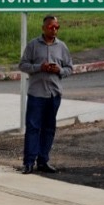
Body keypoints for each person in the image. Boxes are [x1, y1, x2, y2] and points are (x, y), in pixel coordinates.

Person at [17, 15, 73, 175]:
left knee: (49, 129)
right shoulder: (33, 45)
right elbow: (22, 65)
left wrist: (59, 70)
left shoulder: (62, 46)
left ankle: (43, 161)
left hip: (53, 94)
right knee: (33, 128)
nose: (54, 30)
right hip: (36, 94)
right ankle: (28, 162)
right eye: (51, 27)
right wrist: (39, 67)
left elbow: (69, 68)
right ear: (44, 28)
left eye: (57, 27)